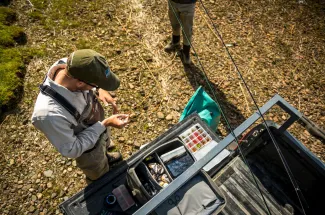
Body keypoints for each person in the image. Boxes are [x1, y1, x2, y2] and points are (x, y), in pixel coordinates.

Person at [31, 49, 129, 184]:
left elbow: (90, 81)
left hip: (98, 126)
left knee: (104, 144)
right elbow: (73, 149)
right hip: (88, 151)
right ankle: (100, 179)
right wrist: (105, 124)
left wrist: (100, 90)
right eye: (95, 85)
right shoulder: (49, 115)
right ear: (80, 83)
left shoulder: (71, 65)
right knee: (97, 170)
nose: (96, 88)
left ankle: (106, 156)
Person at [164, 0, 197, 64]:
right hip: (172, 2)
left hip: (188, 5)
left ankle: (186, 52)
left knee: (187, 29)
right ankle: (175, 42)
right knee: (174, 24)